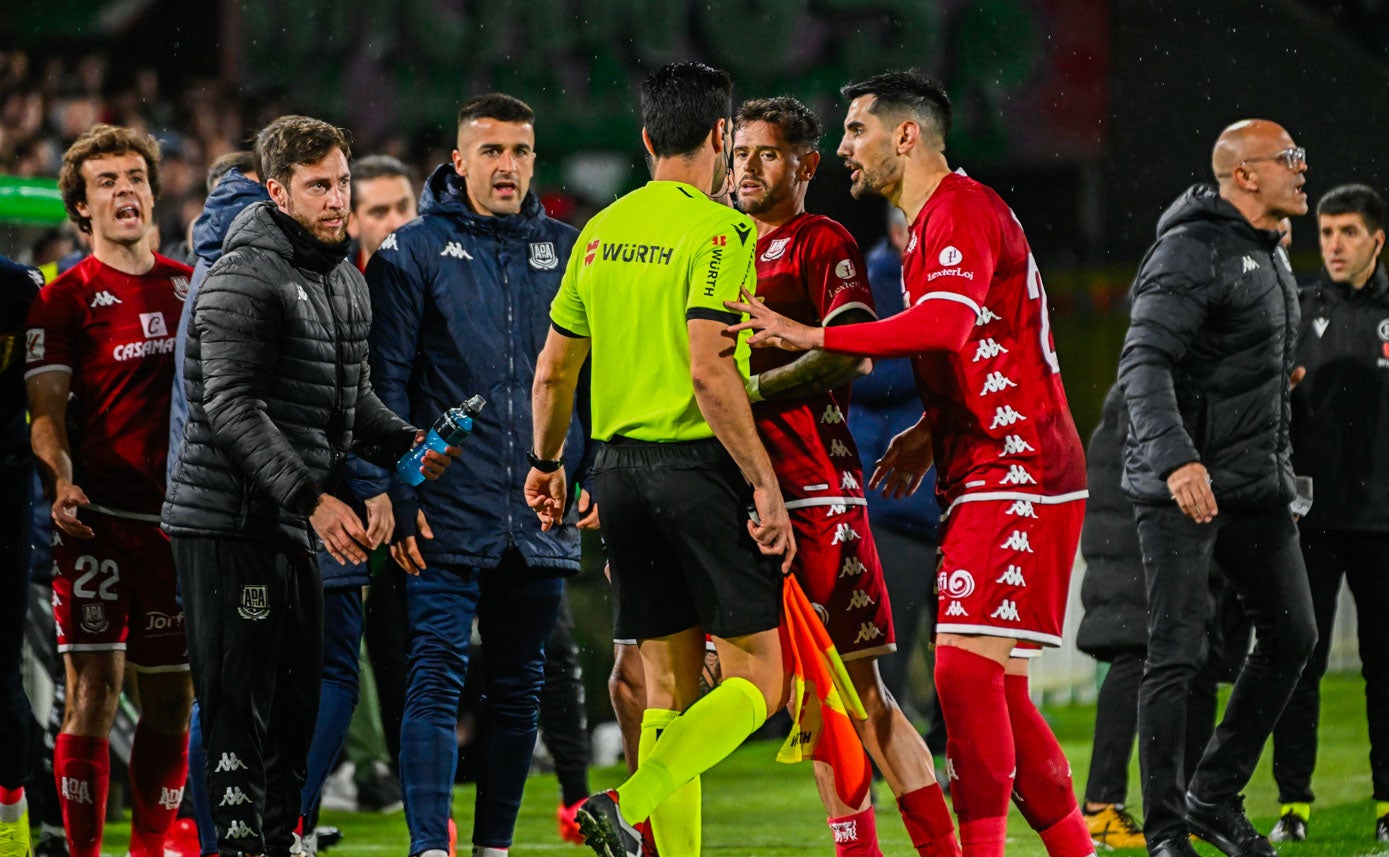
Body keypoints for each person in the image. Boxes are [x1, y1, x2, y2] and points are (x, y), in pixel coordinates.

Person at [729, 70, 1094, 857]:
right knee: (996, 686)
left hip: (1016, 463)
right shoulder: (933, 222)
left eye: (856, 130)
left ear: (905, 134)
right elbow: (989, 335)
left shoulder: (956, 209)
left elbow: (944, 324)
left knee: (961, 678)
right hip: (988, 461)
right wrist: (930, 431)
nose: (843, 149)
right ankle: (1074, 845)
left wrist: (811, 335)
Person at [162, 114, 454, 857]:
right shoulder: (241, 273)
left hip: (287, 521)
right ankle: (234, 847)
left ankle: (274, 840)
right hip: (226, 522)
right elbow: (229, 406)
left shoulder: (341, 281)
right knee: (236, 702)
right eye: (317, 185)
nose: (335, 198)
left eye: (341, 182)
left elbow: (350, 404)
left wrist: (406, 443)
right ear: (277, 190)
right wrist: (315, 498)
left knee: (299, 703)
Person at [527, 61, 795, 857]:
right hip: (695, 471)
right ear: (721, 135)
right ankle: (626, 801)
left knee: (668, 688)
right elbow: (711, 369)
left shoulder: (599, 232)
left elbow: (552, 370)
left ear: (646, 138)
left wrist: (548, 463)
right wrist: (763, 482)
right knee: (759, 680)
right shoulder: (721, 232)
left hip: (615, 470)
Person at [732, 94, 957, 857]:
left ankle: (941, 848)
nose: (745, 169)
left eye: (765, 154)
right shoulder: (717, 243)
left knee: (860, 691)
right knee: (805, 701)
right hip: (739, 493)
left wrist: (753, 390)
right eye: (737, 154)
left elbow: (853, 348)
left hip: (817, 490)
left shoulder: (819, 240)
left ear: (805, 164)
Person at [363, 92, 585, 857]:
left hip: (537, 503)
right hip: (444, 508)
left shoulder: (569, 246)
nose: (507, 166)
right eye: (490, 151)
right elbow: (383, 386)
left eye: (520, 151)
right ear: (458, 162)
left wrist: (581, 474)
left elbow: (591, 383)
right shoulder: (410, 251)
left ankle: (492, 845)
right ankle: (430, 845)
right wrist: (399, 487)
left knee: (520, 683)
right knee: (435, 675)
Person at [1117, 119, 1318, 857]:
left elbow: (1238, 356)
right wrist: (1177, 459)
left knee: (1292, 631)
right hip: (1185, 485)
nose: (1302, 169)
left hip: (1251, 482)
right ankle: (1164, 831)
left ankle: (1209, 793)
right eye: (1287, 159)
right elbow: (1142, 363)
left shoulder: (1265, 252)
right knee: (1174, 653)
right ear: (1243, 176)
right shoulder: (1190, 251)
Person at [24, 124, 195, 857]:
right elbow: (46, 413)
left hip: (176, 525)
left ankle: (149, 847)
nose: (126, 190)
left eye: (135, 177)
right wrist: (60, 479)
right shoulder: (61, 300)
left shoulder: (192, 285)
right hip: (96, 523)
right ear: (81, 208)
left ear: (154, 192)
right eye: (107, 182)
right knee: (92, 688)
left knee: (170, 699)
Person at [1270, 183, 1389, 845]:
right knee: (1297, 662)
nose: (1334, 245)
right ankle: (1293, 802)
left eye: (1347, 232)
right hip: (1307, 524)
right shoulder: (1297, 310)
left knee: (1384, 669)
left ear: (1376, 238)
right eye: (1325, 232)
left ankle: (1387, 802)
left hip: (1381, 525)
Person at [849, 207, 945, 765]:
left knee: (953, 651)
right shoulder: (868, 281)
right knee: (889, 641)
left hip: (948, 497)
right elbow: (862, 370)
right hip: (892, 499)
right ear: (895, 231)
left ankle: (947, 755)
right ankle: (882, 759)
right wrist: (935, 347)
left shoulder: (942, 281)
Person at [0, 254, 42, 857]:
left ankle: (13, 823)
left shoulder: (16, 288)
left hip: (3, 502)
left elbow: (52, 396)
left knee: (1, 674)